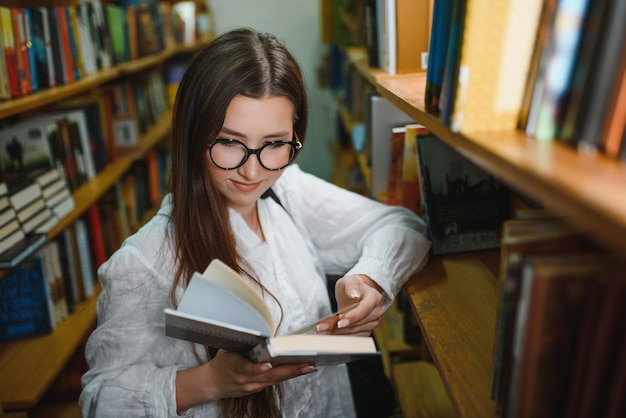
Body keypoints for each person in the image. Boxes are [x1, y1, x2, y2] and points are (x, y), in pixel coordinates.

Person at [79, 28, 431, 418]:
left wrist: (369, 279)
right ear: (194, 134)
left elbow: (404, 226)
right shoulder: (144, 260)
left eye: (275, 144)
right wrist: (210, 381)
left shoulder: (288, 193)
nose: (252, 170)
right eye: (229, 142)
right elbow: (102, 400)